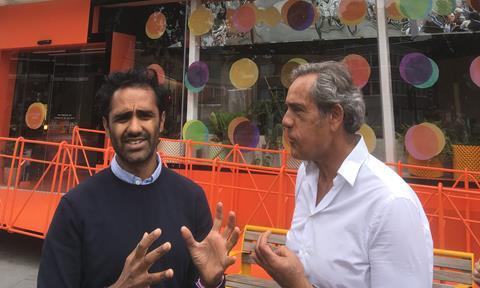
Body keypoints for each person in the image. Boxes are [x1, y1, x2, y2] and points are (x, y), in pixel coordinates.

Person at [37, 68, 239, 288]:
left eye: (145, 115)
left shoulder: (191, 198)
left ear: (161, 121)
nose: (134, 128)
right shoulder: (75, 208)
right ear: (106, 126)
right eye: (123, 118)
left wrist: (210, 283)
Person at [253, 61, 433, 288]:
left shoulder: (391, 203)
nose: (286, 120)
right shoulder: (306, 175)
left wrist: (297, 284)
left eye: (298, 110)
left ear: (335, 116)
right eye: (287, 109)